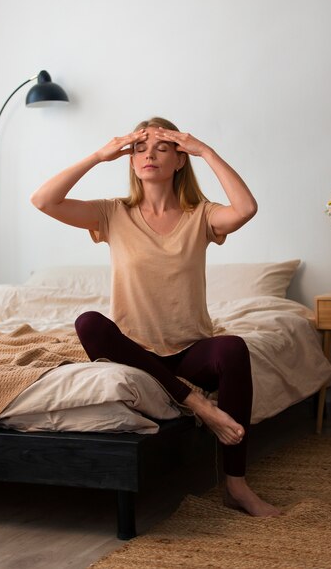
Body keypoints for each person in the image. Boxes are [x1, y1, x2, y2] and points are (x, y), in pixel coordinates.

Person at [31, 116, 280, 517]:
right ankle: (196, 405)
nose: (149, 155)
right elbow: (43, 201)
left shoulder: (202, 215)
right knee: (89, 323)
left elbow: (246, 208)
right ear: (129, 161)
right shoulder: (111, 213)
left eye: (162, 148)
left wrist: (207, 151)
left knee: (233, 348)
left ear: (180, 160)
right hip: (133, 353)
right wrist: (98, 155)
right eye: (140, 148)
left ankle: (236, 485)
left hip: (188, 351)